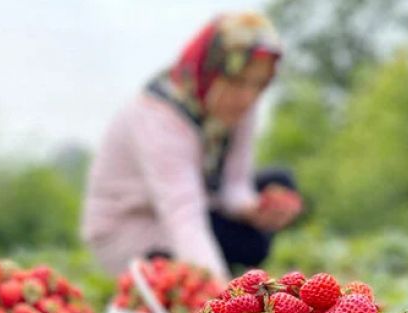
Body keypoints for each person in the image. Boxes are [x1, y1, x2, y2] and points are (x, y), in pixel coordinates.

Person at [82, 12, 302, 281]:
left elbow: (234, 184)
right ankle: (171, 277)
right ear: (210, 70)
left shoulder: (241, 105)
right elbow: (183, 215)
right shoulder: (158, 115)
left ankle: (204, 269)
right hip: (135, 226)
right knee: (229, 248)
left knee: (278, 183)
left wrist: (254, 210)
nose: (247, 96)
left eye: (258, 84)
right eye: (236, 81)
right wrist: (221, 302)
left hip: (198, 203)